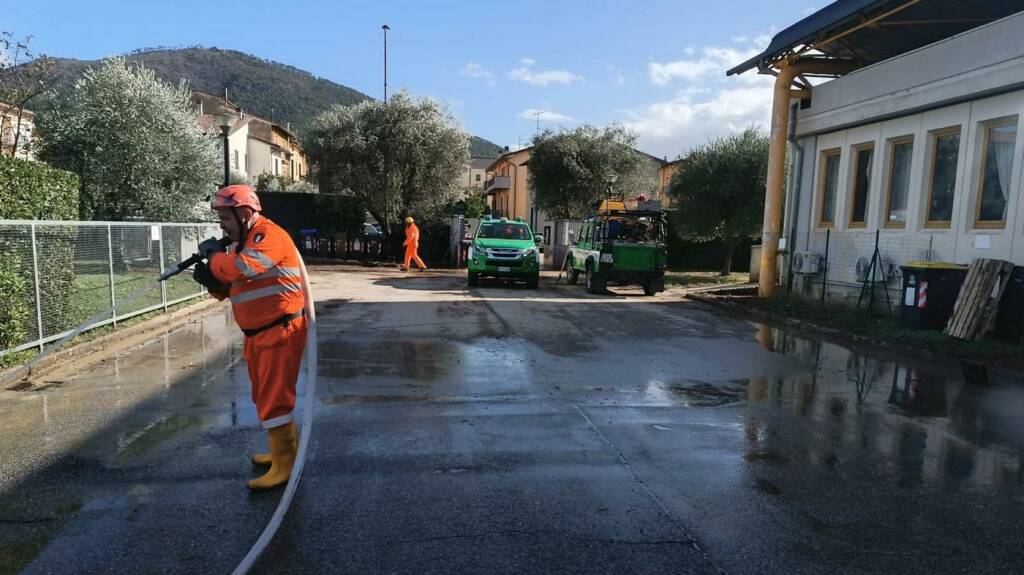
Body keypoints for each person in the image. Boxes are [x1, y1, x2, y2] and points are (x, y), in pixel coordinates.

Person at [191, 184, 307, 491]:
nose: (221, 225)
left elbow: (243, 269)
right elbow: (240, 287)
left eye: (225, 218)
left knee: (274, 399)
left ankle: (285, 464)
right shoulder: (241, 243)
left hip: (279, 331)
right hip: (259, 334)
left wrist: (215, 259)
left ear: (244, 214)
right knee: (265, 396)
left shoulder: (268, 236)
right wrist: (212, 282)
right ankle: (283, 452)